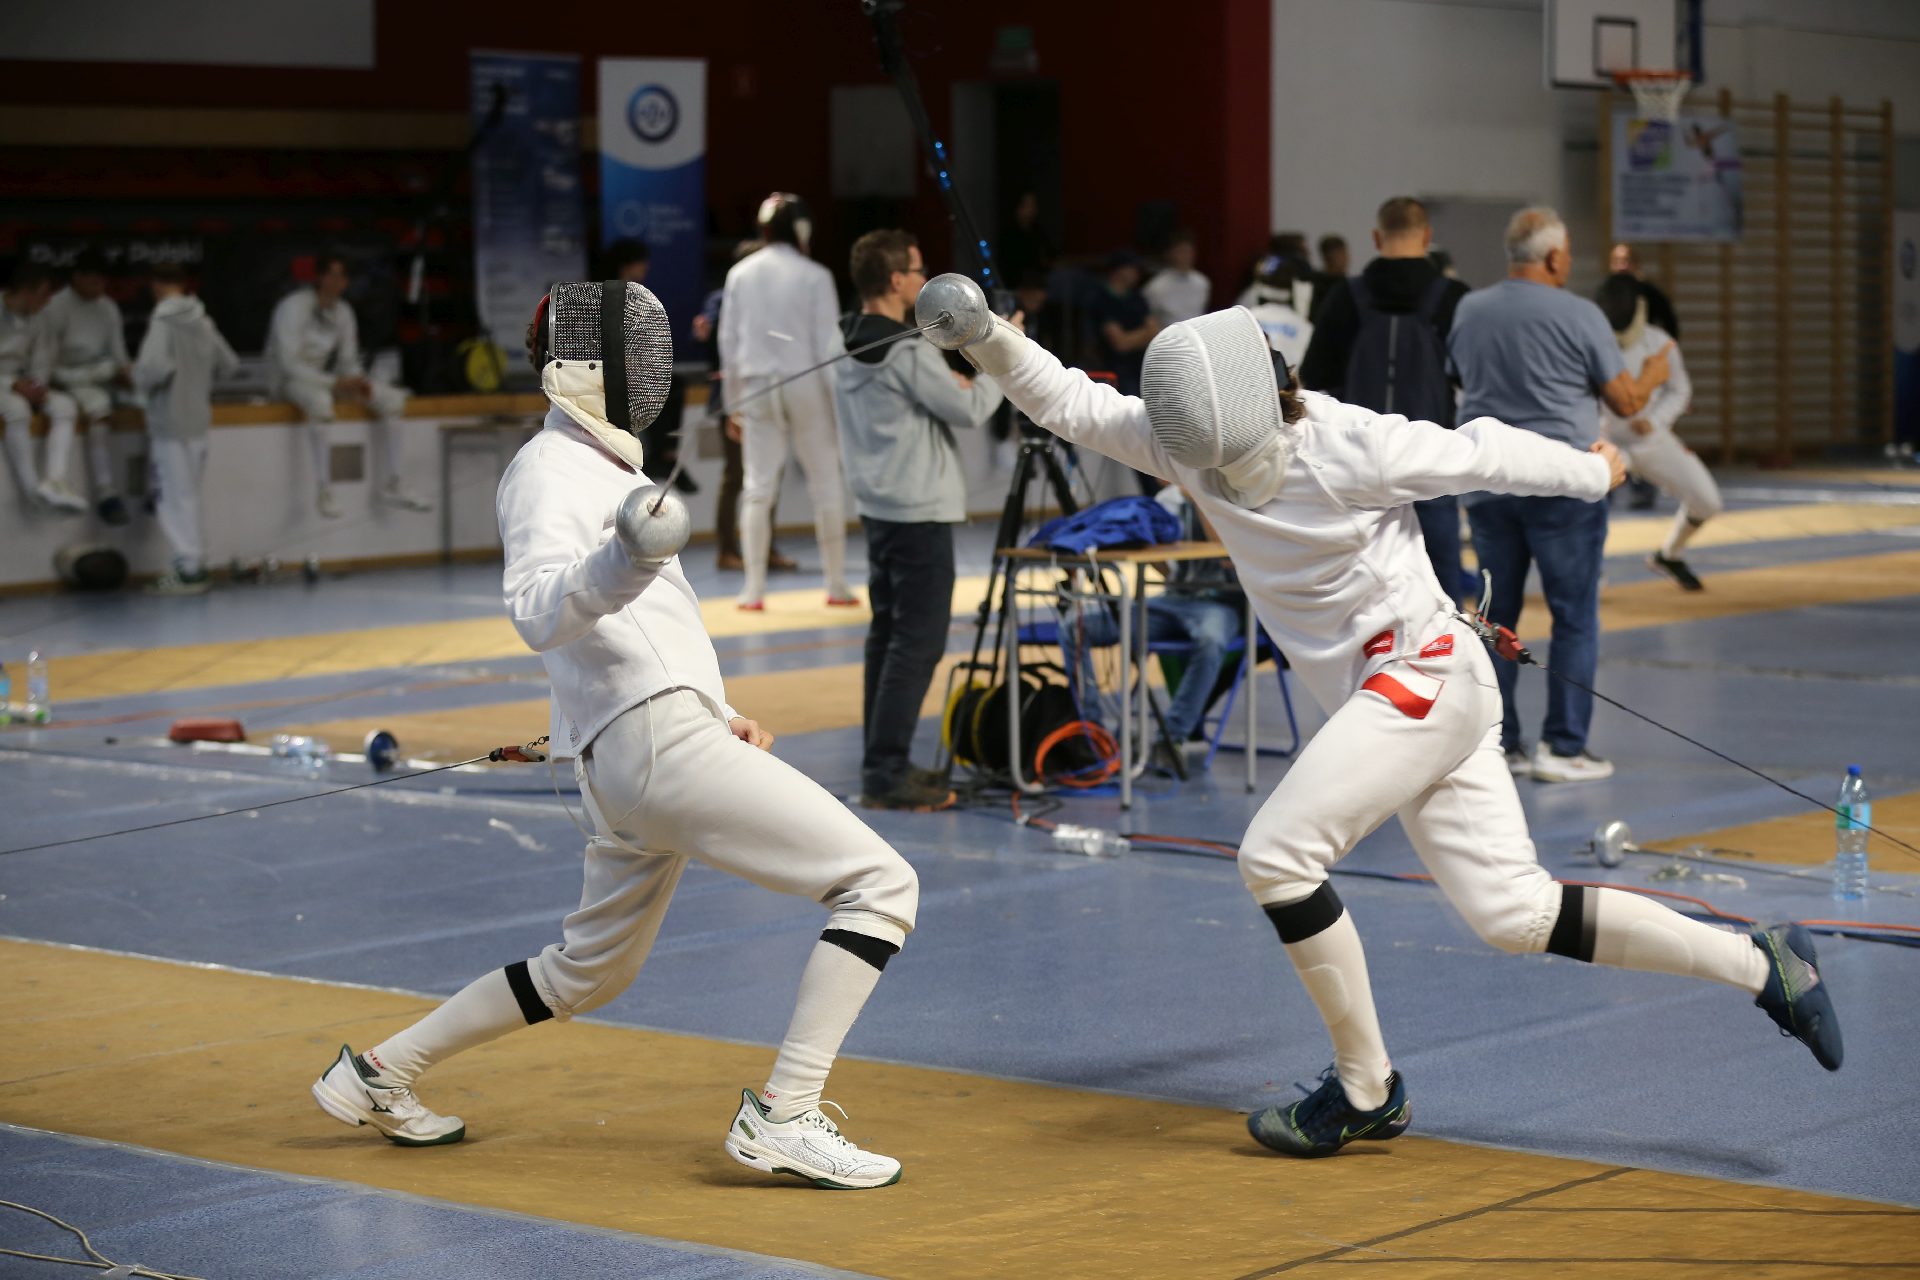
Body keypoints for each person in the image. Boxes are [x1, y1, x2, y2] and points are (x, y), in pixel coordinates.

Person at [943, 291, 1842, 1159]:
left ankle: (1367, 1089)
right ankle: (1766, 966)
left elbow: (1483, 453)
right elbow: (1067, 398)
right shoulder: (1190, 449)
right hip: (1418, 691)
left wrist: (1592, 471)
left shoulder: (1348, 444)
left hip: (1419, 680)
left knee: (1276, 857)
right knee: (1515, 914)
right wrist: (985, 335)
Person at [310, 280, 917, 1191]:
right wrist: (624, 556)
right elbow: (538, 610)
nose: (655, 374)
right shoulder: (547, 469)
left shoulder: (612, 473)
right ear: (589, 371)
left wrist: (716, 711)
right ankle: (785, 1115)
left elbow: (634, 641)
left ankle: (377, 1072)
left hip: (644, 750)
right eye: (640, 358)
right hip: (651, 752)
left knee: (583, 975)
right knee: (881, 883)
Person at [1448, 207, 1673, 783]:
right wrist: (1653, 370)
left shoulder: (1469, 308)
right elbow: (1625, 402)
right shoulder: (1580, 314)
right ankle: (1564, 746)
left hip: (1489, 481)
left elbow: (1459, 375)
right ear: (1553, 258)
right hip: (1562, 487)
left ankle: (1499, 744)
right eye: (1568, 253)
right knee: (1574, 616)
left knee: (1497, 616)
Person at [835, 230, 1002, 811]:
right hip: (919, 512)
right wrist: (1001, 360)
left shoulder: (847, 339)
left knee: (888, 638)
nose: (923, 274)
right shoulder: (907, 351)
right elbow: (970, 408)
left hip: (881, 509)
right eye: (916, 267)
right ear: (897, 281)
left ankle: (883, 762)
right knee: (917, 643)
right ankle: (886, 772)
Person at [1300, 197, 1473, 602]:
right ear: (1427, 237)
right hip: (1431, 462)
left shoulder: (1346, 297)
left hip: (1358, 465)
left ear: (1377, 238)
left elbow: (1316, 377)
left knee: (1359, 591)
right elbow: (1471, 375)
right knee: (1441, 592)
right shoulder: (1453, 298)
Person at [719, 192, 854, 610]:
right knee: (825, 484)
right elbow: (828, 348)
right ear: (801, 229)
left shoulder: (740, 274)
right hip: (805, 383)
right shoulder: (815, 275)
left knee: (757, 487)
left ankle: (753, 590)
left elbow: (729, 343)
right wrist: (838, 408)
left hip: (757, 384)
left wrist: (732, 404)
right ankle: (835, 586)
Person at [267, 253, 428, 519]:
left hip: (326, 379)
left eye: (341, 276)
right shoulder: (293, 307)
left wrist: (357, 381)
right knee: (320, 402)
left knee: (392, 401)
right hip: (289, 381)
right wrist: (335, 382)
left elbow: (348, 361)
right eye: (331, 274)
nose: (336, 281)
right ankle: (324, 489)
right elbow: (288, 363)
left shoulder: (343, 312)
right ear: (318, 277)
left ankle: (395, 481)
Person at [1595, 273, 1720, 591]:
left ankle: (1671, 555)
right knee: (1585, 499)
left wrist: (1655, 420)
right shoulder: (1592, 343)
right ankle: (1588, 569)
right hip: (1606, 442)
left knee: (1708, 502)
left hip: (1651, 440)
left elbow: (1680, 390)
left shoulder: (1660, 344)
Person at [131, 264, 240, 595]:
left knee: (174, 499)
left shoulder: (163, 320)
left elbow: (152, 368)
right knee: (188, 495)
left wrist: (136, 381)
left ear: (157, 286)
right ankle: (191, 563)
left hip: (169, 422)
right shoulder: (202, 320)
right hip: (198, 421)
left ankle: (190, 569)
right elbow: (230, 364)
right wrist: (197, 381)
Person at [694, 247, 796, 573]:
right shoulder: (723, 298)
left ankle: (764, 548)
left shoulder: (769, 302)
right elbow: (710, 332)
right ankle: (727, 550)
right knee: (737, 476)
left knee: (768, 475)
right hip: (732, 398)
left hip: (766, 395)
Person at [38, 250, 131, 525]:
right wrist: (89, 375)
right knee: (97, 405)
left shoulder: (108, 307)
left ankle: (154, 491)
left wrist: (127, 373)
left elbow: (119, 355)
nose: (98, 288)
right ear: (77, 278)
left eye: (102, 282)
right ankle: (106, 491)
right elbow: (46, 365)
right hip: (67, 379)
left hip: (103, 376)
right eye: (93, 282)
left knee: (148, 403)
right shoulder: (56, 307)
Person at [604, 239, 696, 498]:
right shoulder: (612, 293)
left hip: (629, 365)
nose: (646, 266)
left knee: (671, 383)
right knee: (660, 385)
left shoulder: (634, 292)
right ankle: (663, 454)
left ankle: (665, 453)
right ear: (627, 264)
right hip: (610, 370)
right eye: (641, 261)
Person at [0, 261, 85, 514]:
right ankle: (31, 490)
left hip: (23, 383)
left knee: (65, 406)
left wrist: (37, 386)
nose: (48, 301)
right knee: (16, 409)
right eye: (44, 294)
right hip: (5, 385)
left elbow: (41, 360)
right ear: (26, 290)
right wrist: (12, 384)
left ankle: (55, 481)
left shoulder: (39, 318)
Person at [1606, 243, 1681, 511]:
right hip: (1614, 374)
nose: (1621, 265)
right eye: (1616, 260)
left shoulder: (1650, 294)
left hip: (1646, 375)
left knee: (1643, 432)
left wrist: (1664, 364)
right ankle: (1607, 484)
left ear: (1635, 264)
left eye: (1626, 260)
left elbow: (1671, 327)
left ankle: (1645, 488)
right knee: (1609, 433)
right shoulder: (1606, 294)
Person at [1089, 252, 1156, 397]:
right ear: (1118, 270)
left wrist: (1133, 338)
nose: (1137, 273)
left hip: (1141, 366)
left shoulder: (1137, 297)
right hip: (1113, 371)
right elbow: (1120, 343)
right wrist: (1145, 334)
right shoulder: (1101, 298)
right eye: (1132, 268)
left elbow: (1155, 331)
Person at [1143, 230, 1211, 326]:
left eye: (1188, 251)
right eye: (1181, 251)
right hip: (1168, 337)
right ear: (1170, 254)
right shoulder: (1156, 287)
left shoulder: (1202, 282)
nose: (1185, 256)